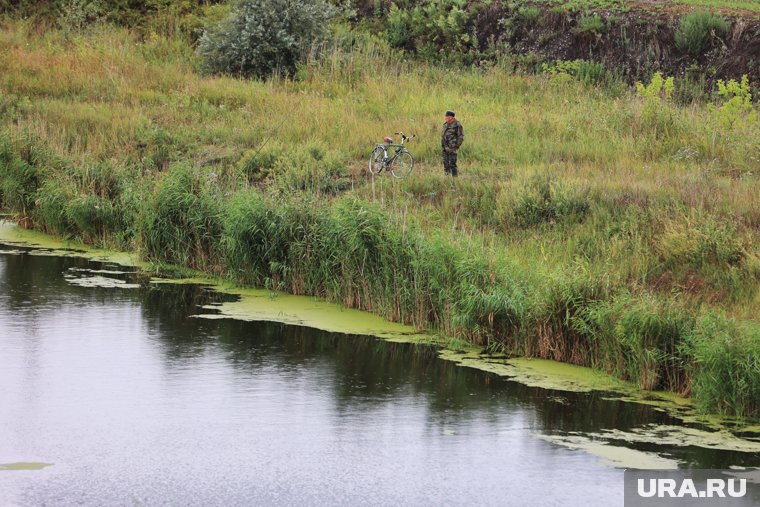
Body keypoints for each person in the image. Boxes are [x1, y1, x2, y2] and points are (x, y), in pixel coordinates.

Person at [441, 110, 464, 177]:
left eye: (447, 117)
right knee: (445, 163)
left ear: (451, 117)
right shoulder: (445, 124)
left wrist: (456, 146)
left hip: (452, 147)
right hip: (445, 147)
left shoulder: (457, 125)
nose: (445, 118)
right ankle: (446, 177)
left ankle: (454, 178)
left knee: (452, 164)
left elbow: (461, 137)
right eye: (446, 117)